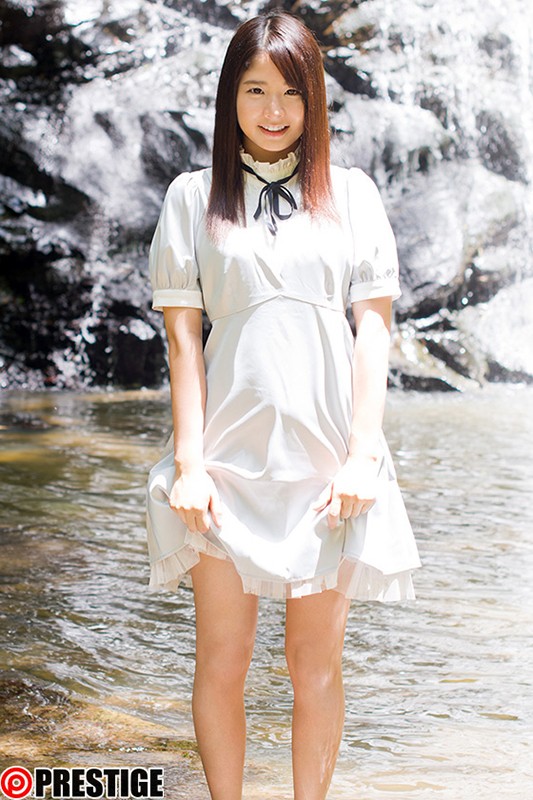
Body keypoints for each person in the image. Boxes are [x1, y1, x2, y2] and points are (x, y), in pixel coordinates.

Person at [146, 11, 420, 800]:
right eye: (255, 90)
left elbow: (372, 331)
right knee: (220, 662)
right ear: (228, 96)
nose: (273, 110)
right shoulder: (191, 197)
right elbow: (182, 341)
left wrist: (362, 456)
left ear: (314, 100)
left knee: (315, 666)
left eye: (291, 93)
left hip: (327, 463)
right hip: (225, 463)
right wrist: (190, 466)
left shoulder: (352, 194)